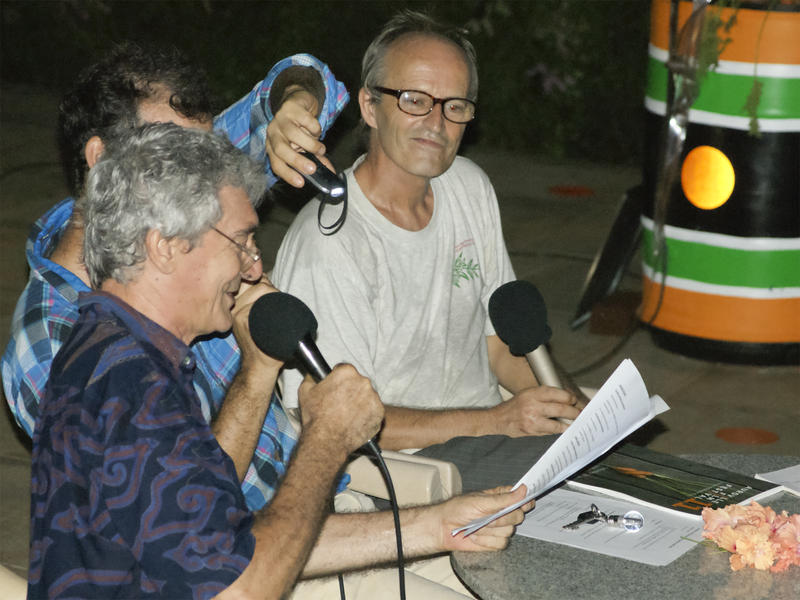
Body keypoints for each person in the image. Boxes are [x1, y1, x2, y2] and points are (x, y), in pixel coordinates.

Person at [27, 123, 532, 599]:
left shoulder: (123, 347)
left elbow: (218, 534)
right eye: (241, 241)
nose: (255, 265)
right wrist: (326, 439)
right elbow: (239, 587)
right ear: (165, 248)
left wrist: (439, 524)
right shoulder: (129, 388)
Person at [1, 42, 346, 510]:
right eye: (184, 157)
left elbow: (298, 74)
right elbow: (179, 513)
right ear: (103, 163)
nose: (208, 176)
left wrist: (295, 106)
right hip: (249, 552)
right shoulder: (53, 344)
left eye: (205, 153)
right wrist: (257, 368)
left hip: (321, 487)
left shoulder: (178, 181)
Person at [272, 10, 587, 451]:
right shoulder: (331, 242)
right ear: (370, 107)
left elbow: (500, 346)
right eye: (415, 100)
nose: (437, 123)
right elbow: (340, 420)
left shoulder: (468, 186)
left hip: (490, 436)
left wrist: (575, 411)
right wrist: (498, 420)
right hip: (408, 465)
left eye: (455, 106)